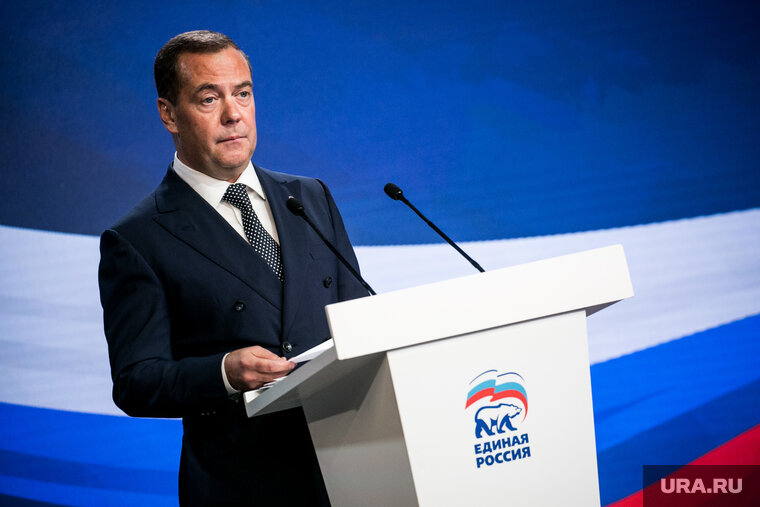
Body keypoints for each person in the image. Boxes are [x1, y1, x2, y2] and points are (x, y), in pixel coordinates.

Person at [98, 30, 368, 505]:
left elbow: (358, 315)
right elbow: (136, 382)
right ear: (169, 114)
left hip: (350, 466)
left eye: (242, 93)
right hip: (241, 484)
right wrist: (222, 372)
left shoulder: (310, 197)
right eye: (209, 99)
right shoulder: (137, 238)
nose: (233, 114)